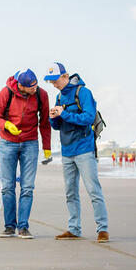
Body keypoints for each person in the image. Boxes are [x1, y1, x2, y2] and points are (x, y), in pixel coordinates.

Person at [45, 62, 109, 242]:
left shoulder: (84, 93)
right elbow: (58, 127)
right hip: (67, 151)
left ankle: (102, 229)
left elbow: (88, 118)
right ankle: (74, 229)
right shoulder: (59, 97)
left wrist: (64, 114)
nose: (54, 84)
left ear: (65, 76)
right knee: (70, 193)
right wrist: (53, 118)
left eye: (55, 80)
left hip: (84, 149)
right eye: (51, 82)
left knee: (93, 190)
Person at [0, 68, 51, 239]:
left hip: (30, 143)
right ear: (20, 86)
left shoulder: (41, 95)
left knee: (28, 187)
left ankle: (23, 227)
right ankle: (10, 226)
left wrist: (47, 147)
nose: (35, 88)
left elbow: (45, 122)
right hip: (8, 143)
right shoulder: (5, 93)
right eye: (31, 87)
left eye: (36, 84)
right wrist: (6, 125)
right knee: (8, 187)